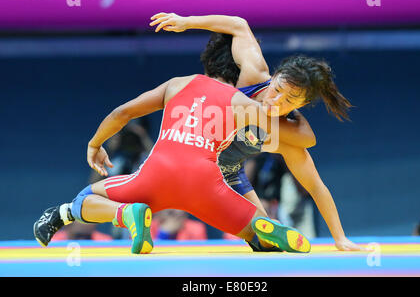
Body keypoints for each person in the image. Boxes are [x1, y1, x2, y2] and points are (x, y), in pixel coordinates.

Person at [149, 13, 367, 251]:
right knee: (256, 228)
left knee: (266, 238)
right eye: (278, 89)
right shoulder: (254, 76)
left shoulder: (285, 136)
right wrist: (187, 22)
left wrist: (340, 238)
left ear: (301, 106)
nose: (277, 100)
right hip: (194, 158)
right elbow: (239, 25)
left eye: (290, 100)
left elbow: (316, 186)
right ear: (273, 78)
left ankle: (261, 228)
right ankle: (254, 224)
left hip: (230, 176)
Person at [33, 73, 312, 254]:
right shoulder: (243, 101)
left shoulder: (178, 83)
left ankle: (126, 214)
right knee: (259, 241)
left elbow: (124, 112)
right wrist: (292, 104)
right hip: (205, 183)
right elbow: (306, 138)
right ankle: (260, 229)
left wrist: (95, 144)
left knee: (84, 198)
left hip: (159, 173)